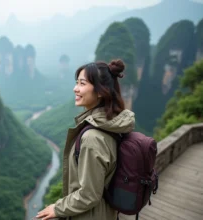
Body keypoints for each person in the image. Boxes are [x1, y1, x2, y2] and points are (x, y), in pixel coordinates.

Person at [36, 59, 135, 220]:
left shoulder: (92, 138)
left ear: (101, 91)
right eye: (77, 83)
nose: (75, 89)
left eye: (82, 84)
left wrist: (58, 208)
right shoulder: (111, 124)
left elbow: (89, 194)